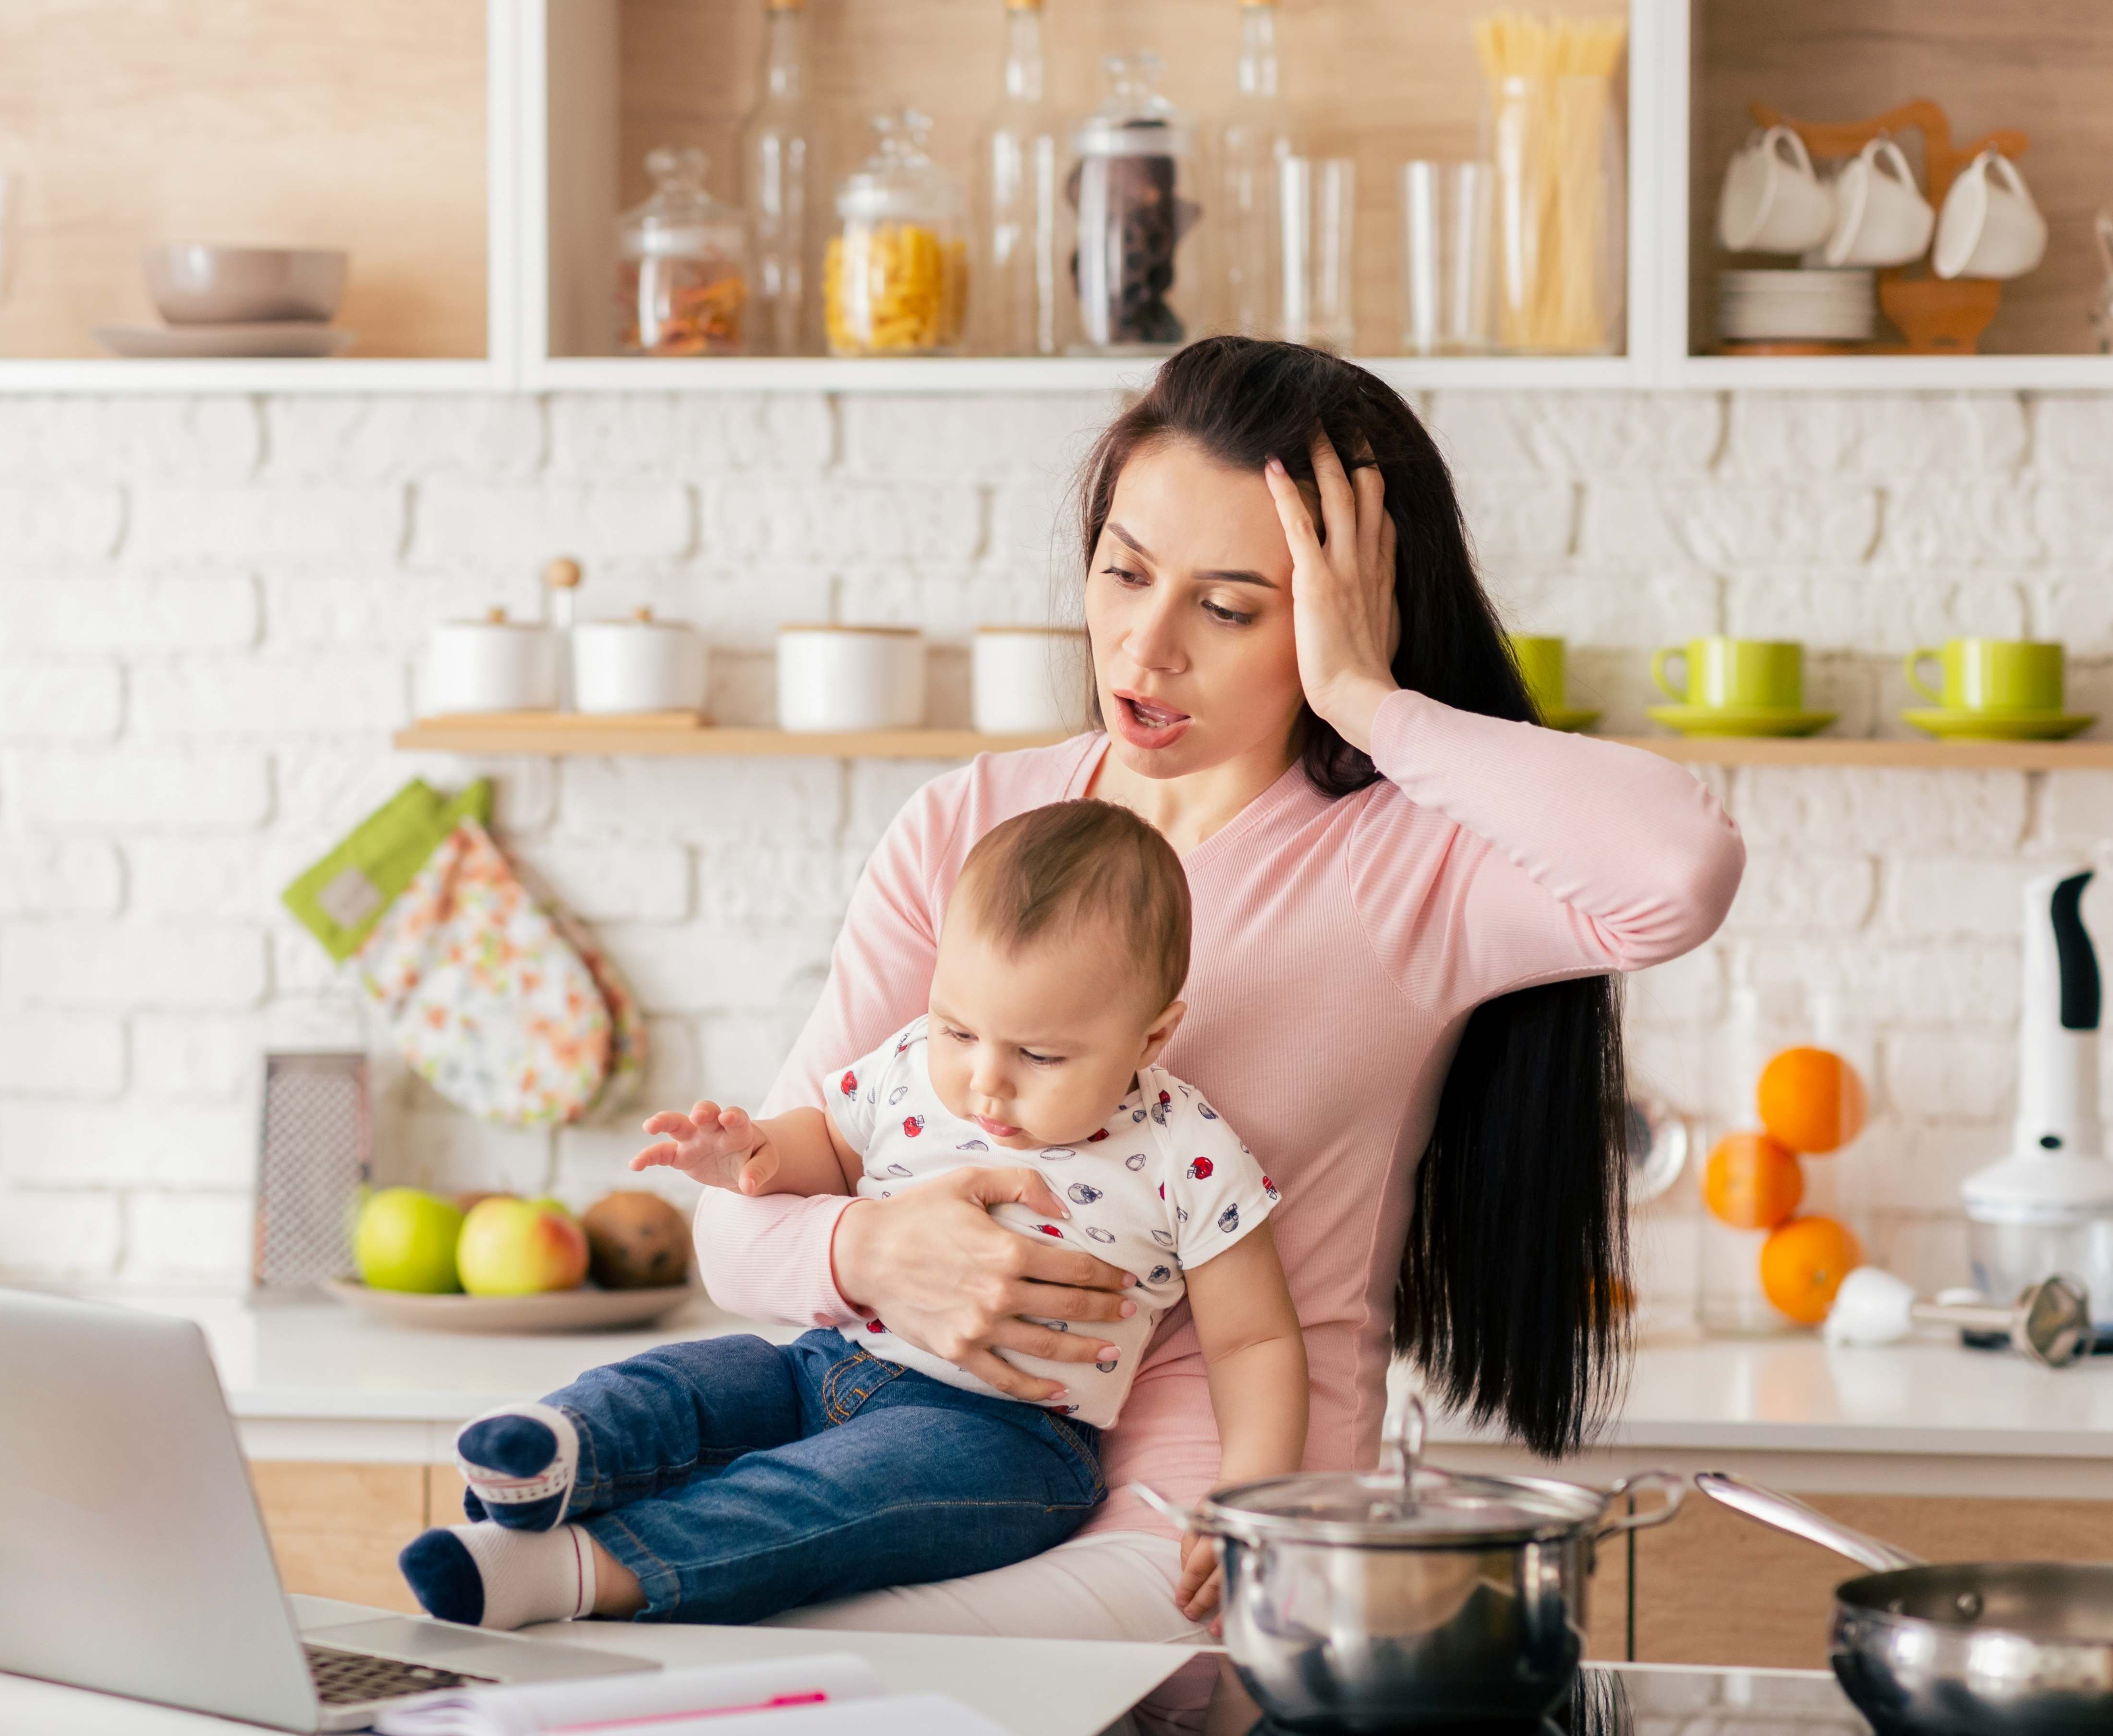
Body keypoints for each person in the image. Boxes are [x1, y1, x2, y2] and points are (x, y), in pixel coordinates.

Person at [693, 338, 1746, 1723]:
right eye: (1124, 573)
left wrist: (1370, 702)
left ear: (1336, 614)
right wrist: (869, 1248)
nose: (1147, 646)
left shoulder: (1407, 862)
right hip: (922, 1472)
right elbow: (736, 1228)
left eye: (1230, 606)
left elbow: (1678, 872)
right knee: (677, 1616)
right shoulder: (970, 829)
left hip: (1209, 1545)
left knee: (812, 1674)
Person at [396, 800, 1308, 1629]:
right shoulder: (910, 1066)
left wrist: (1246, 1497)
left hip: (1003, 1442)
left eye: (1039, 1056)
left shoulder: (1188, 1150)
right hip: (827, 1361)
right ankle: (553, 1452)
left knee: (820, 1497)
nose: (984, 1082)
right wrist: (755, 1155)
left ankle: (578, 1570)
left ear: (1151, 1036)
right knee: (694, 1380)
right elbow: (830, 1146)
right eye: (960, 1030)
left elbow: (1254, 1341)